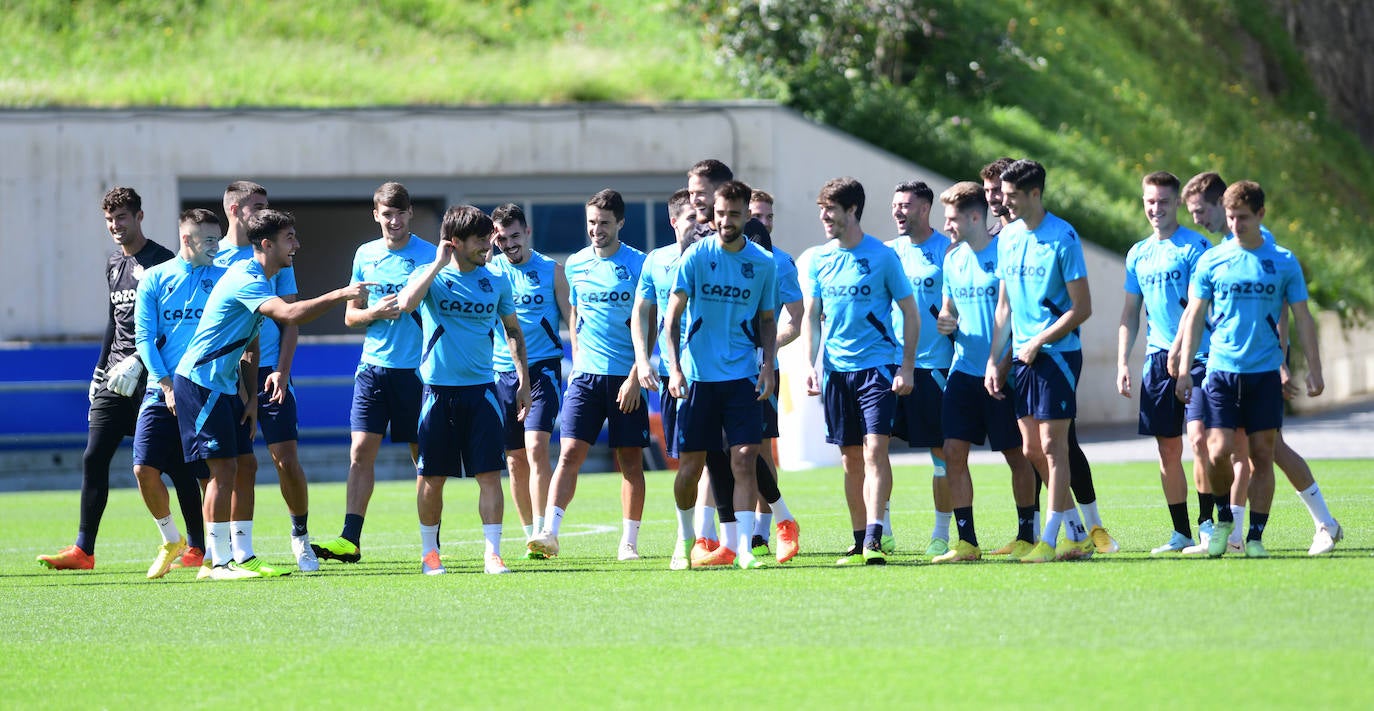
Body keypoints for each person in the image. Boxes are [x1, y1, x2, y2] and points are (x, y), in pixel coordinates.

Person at [174, 209, 369, 579]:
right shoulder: (247, 278)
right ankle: (216, 562)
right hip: (201, 382)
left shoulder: (259, 278)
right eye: (290, 238)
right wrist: (342, 293)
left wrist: (249, 397)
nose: (297, 245)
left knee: (245, 466)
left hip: (227, 385)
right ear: (267, 244)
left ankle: (243, 556)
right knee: (222, 472)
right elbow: (290, 314)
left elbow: (249, 347)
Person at [1180, 172, 1342, 556]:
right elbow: (1199, 313)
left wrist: (1286, 362)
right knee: (1225, 449)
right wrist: (1181, 357)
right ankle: (1233, 531)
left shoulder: (1273, 254)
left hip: (1262, 367)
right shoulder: (1216, 256)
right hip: (1223, 367)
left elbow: (1284, 313)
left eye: (1202, 210)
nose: (1200, 219)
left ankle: (1319, 524)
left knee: (1266, 451)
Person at [978, 158, 1117, 555]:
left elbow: (1082, 307)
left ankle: (1050, 539)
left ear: (1034, 194)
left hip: (1057, 355)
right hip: (1022, 358)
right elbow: (1003, 307)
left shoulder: (1063, 237)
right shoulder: (1007, 238)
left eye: (1011, 196)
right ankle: (1077, 534)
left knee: (1055, 447)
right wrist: (995, 359)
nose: (1004, 204)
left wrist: (1039, 340)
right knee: (1030, 450)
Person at [39, 187, 176, 571]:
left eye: (122, 218)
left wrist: (137, 359)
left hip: (152, 376)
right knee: (94, 456)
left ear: (139, 217)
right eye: (110, 220)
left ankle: (196, 547)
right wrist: (99, 370)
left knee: (176, 464)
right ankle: (84, 550)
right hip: (114, 380)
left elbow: (171, 324)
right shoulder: (113, 263)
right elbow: (112, 321)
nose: (116, 226)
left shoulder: (162, 261)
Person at [396, 205, 528, 575]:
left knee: (489, 475)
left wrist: (523, 382)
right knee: (432, 478)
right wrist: (438, 264)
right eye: (480, 240)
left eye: (489, 238)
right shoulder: (430, 276)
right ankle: (429, 554)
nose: (489, 245)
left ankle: (493, 554)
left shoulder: (496, 280)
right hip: (437, 394)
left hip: (482, 392)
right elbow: (405, 305)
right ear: (454, 243)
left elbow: (513, 331)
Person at [313, 182, 436, 564]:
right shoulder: (365, 255)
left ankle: (430, 547)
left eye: (400, 213)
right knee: (360, 451)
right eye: (387, 214)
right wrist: (373, 314)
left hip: (416, 374)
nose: (394, 221)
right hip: (373, 369)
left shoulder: (429, 256)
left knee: (426, 459)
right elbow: (351, 315)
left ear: (410, 213)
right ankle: (350, 539)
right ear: (376, 215)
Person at [660, 180, 778, 569]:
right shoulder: (695, 256)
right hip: (698, 379)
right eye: (720, 213)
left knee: (744, 458)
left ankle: (742, 548)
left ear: (747, 214)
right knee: (691, 467)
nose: (726, 220)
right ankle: (685, 537)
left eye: (734, 214)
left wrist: (767, 365)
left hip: (742, 376)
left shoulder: (763, 263)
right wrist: (674, 369)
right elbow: (672, 318)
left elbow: (767, 320)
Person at [803, 177, 918, 566]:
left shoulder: (883, 257)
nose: (824, 217)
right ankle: (857, 540)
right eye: (822, 210)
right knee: (850, 459)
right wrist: (809, 363)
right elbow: (813, 319)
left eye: (830, 210)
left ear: (852, 211)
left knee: (874, 450)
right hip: (836, 371)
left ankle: (874, 536)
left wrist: (906, 366)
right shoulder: (820, 258)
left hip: (877, 369)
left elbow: (911, 312)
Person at [527, 190, 648, 559]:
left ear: (621, 223)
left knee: (629, 461)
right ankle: (550, 533)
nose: (596, 229)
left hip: (626, 378)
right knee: (569, 454)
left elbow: (649, 323)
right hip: (585, 378)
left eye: (605, 223)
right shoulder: (576, 264)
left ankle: (628, 542)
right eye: (592, 222)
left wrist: (634, 376)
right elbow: (574, 313)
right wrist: (576, 357)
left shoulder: (639, 265)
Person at [931, 182, 1039, 562]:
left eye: (952, 218)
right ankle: (967, 542)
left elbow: (1015, 315)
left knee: (1017, 455)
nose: (947, 226)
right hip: (964, 369)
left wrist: (1003, 360)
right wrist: (947, 320)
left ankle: (1027, 534)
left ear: (975, 216)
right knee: (952, 452)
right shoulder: (952, 259)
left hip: (1003, 371)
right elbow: (950, 311)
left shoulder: (1005, 254)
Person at [212, 181, 316, 574]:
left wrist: (282, 371)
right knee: (231, 465)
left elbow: (291, 319)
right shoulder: (214, 254)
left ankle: (300, 538)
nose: (264, 212)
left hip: (270, 371)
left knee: (285, 459)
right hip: (224, 376)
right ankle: (236, 551)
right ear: (235, 210)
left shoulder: (277, 254)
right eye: (257, 206)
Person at [1116, 171, 1214, 554]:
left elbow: (1195, 307)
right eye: (1149, 201)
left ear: (1177, 204)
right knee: (1167, 450)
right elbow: (1129, 314)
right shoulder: (1137, 253)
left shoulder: (1196, 248)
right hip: (1157, 362)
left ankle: (1210, 526)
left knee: (1200, 441)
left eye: (1163, 202)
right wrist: (1122, 361)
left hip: (1198, 357)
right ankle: (1182, 532)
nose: (1155, 209)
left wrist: (1182, 357)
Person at [131, 209, 225, 578]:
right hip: (161, 390)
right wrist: (166, 383)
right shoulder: (155, 278)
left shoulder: (222, 279)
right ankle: (172, 539)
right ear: (187, 240)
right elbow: (144, 338)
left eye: (218, 239)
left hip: (205, 390)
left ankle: (219, 554)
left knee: (208, 477)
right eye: (210, 240)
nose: (217, 247)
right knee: (143, 469)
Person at [487, 203, 570, 555]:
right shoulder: (488, 272)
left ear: (528, 232)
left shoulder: (552, 270)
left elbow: (572, 318)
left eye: (515, 236)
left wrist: (578, 360)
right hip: (501, 372)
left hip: (543, 371)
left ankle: (543, 531)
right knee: (514, 458)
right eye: (502, 238)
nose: (509, 244)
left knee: (536, 447)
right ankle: (529, 536)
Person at [886, 180, 955, 557]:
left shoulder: (948, 250)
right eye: (895, 205)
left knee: (941, 454)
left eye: (906, 205)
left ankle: (941, 534)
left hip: (935, 368)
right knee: (874, 450)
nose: (898, 211)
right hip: (887, 365)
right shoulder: (885, 253)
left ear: (925, 209)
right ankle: (881, 532)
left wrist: (953, 323)